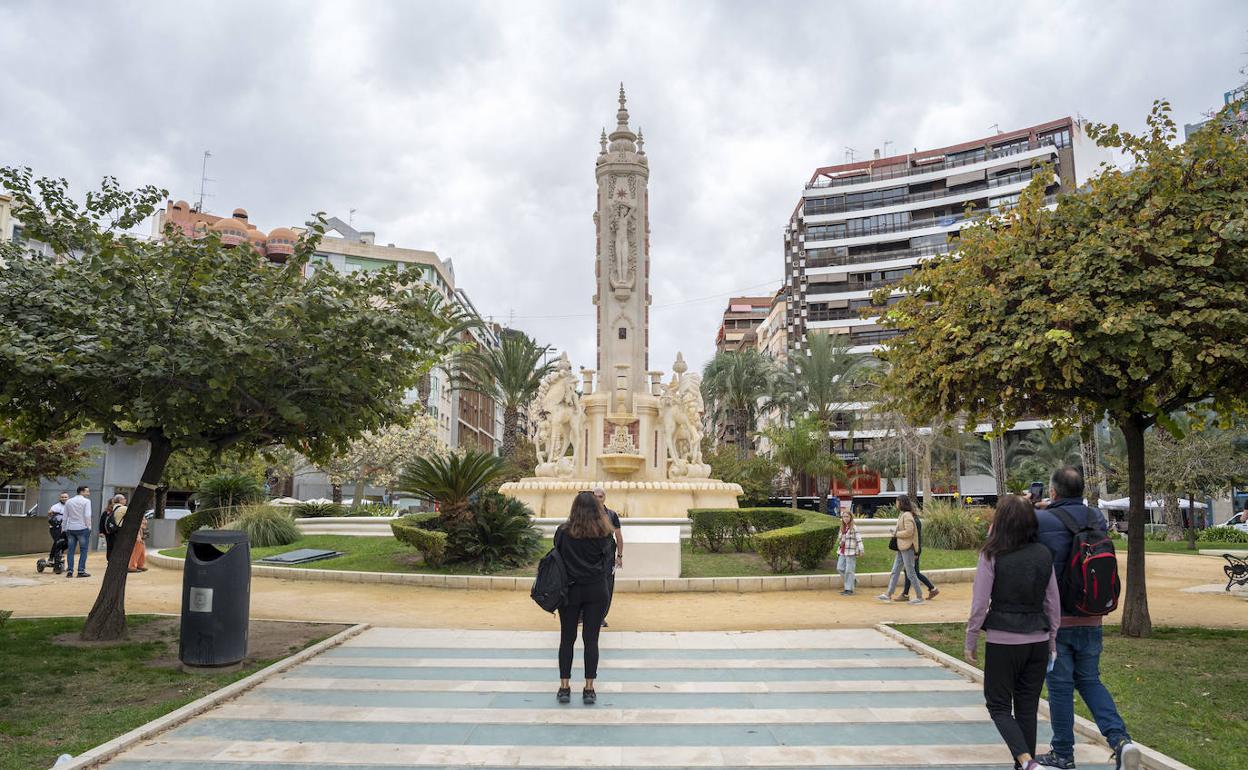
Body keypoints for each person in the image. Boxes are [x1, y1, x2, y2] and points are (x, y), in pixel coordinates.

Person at [1034, 467, 1140, 770]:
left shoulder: (1041, 520)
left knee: (1060, 687)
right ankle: (1121, 741)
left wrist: (1033, 507)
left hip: (1057, 621)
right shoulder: (1096, 518)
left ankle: (1063, 754)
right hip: (1092, 616)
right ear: (1081, 491)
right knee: (1091, 680)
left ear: (1053, 492)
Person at [965, 495, 1061, 770]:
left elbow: (980, 603)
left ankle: (1027, 763)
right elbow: (1052, 603)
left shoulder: (991, 554)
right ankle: (1027, 765)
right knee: (1027, 708)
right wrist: (1052, 641)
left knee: (998, 706)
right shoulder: (1043, 554)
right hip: (1038, 641)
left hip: (1003, 641)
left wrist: (971, 639)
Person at [554, 491, 616, 705]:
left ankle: (564, 687)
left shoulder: (563, 531)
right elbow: (607, 562)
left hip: (570, 590)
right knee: (591, 640)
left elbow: (557, 556)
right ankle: (589, 688)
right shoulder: (605, 532)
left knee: (567, 638)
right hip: (596, 590)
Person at [877, 496, 925, 604]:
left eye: (897, 502)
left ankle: (920, 597)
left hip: (907, 547)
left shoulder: (907, 515)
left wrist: (896, 534)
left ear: (901, 503)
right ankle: (888, 594)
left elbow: (909, 532)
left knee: (911, 572)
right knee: (895, 571)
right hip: (902, 547)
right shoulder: (903, 514)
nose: (896, 504)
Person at [592, 485, 624, 628]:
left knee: (607, 587)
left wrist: (620, 556)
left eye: (601, 496)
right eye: (596, 496)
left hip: (608, 557)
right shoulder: (585, 514)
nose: (598, 499)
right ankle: (583, 616)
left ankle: (600, 617)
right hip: (590, 557)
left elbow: (618, 536)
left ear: (604, 498)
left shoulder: (612, 515)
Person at [899, 504, 940, 601]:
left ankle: (931, 588)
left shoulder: (914, 521)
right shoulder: (914, 520)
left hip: (914, 550)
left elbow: (916, 538)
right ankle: (906, 593)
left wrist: (916, 552)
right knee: (910, 571)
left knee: (913, 572)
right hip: (914, 549)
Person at [61, 486, 93, 578]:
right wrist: (89, 526)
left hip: (70, 528)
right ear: (82, 492)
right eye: (87, 491)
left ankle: (70, 570)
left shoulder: (69, 501)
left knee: (70, 550)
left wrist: (64, 528)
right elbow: (87, 515)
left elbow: (65, 516)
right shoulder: (87, 501)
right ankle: (81, 570)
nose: (88, 493)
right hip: (82, 528)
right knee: (83, 550)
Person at [835, 510, 863, 595]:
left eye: (847, 517)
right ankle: (853, 580)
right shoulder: (843, 528)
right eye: (844, 517)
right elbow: (840, 540)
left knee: (849, 570)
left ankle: (849, 589)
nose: (845, 518)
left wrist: (861, 550)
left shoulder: (853, 527)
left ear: (850, 517)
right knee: (840, 568)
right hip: (842, 551)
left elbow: (859, 539)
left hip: (851, 551)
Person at [101, 493, 126, 560]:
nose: (114, 503)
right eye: (113, 502)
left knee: (112, 546)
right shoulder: (107, 512)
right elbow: (102, 522)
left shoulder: (113, 510)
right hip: (110, 531)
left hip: (112, 530)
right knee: (110, 546)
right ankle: (110, 559)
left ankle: (111, 559)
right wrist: (102, 531)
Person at [46, 492, 69, 565]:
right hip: (55, 528)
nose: (64, 498)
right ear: (60, 498)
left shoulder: (70, 506)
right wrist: (51, 514)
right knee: (57, 541)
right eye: (62, 497)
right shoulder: (55, 506)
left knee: (67, 542)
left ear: (68, 498)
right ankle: (51, 557)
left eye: (65, 497)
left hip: (66, 528)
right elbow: (50, 517)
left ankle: (59, 554)